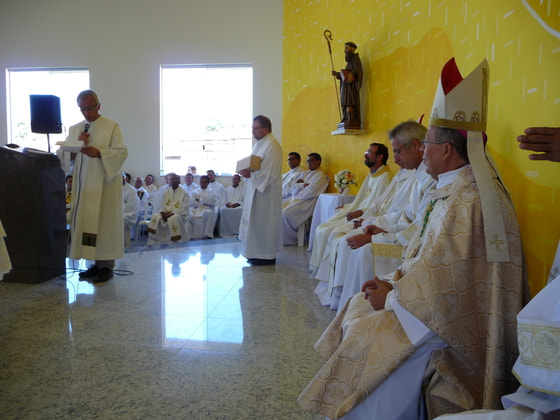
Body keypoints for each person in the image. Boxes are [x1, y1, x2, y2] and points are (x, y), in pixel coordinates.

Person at [299, 58, 526, 419]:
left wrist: (393, 296)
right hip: (430, 302)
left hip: (452, 321)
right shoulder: (452, 190)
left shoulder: (468, 200)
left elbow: (448, 280)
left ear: (447, 150)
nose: (423, 152)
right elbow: (430, 257)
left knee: (366, 335)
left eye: (428, 144)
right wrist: (392, 281)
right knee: (358, 306)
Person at [314, 122, 429, 307]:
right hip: (395, 231)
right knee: (347, 240)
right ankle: (344, 300)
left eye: (398, 152)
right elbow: (403, 217)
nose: (396, 159)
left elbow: (416, 227)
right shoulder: (418, 176)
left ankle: (358, 305)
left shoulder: (426, 179)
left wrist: (378, 236)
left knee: (362, 248)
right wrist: (378, 228)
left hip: (412, 248)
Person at [60, 90, 128, 284]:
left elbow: (121, 153)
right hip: (84, 187)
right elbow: (64, 157)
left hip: (105, 187)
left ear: (99, 106)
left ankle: (106, 266)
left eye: (90, 108)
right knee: (87, 224)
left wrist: (99, 153)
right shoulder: (75, 129)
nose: (86, 113)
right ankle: (94, 265)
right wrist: (73, 153)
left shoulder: (112, 127)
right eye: (82, 109)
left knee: (104, 225)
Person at [309, 143, 391, 267]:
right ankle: (318, 267)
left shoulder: (385, 177)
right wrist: (348, 206)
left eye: (369, 153)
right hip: (358, 211)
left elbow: (379, 206)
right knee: (322, 228)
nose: (366, 155)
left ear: (380, 157)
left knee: (327, 232)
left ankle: (326, 270)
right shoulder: (372, 175)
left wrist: (361, 212)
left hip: (366, 216)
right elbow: (361, 198)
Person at [239, 115, 283, 266]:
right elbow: (256, 165)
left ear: (266, 129)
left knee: (264, 224)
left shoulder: (272, 146)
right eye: (252, 128)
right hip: (255, 191)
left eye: (255, 129)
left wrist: (250, 174)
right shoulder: (260, 144)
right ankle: (254, 253)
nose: (253, 132)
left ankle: (266, 255)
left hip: (266, 194)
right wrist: (247, 171)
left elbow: (270, 174)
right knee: (255, 224)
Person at [282, 153, 329, 245]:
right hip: (296, 198)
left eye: (311, 160)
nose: (309, 163)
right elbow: (292, 187)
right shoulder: (305, 173)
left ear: (318, 162)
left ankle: (290, 239)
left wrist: (298, 188)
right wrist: (302, 185)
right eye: (308, 161)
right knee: (278, 209)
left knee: (285, 213)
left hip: (308, 202)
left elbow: (310, 192)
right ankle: (281, 237)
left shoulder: (320, 175)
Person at [147, 174, 191, 245]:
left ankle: (175, 240)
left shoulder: (184, 193)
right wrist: (162, 212)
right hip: (166, 214)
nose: (173, 181)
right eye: (171, 180)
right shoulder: (166, 193)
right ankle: (155, 241)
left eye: (174, 179)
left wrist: (173, 213)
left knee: (174, 217)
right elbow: (162, 205)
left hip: (179, 215)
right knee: (155, 216)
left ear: (179, 181)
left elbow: (184, 208)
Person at [332, 42, 363, 129]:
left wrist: (352, 74)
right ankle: (346, 118)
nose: (345, 50)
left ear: (353, 49)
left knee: (350, 103)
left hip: (351, 89)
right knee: (345, 104)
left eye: (347, 48)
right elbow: (345, 75)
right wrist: (337, 74)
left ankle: (351, 119)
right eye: (345, 48)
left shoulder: (356, 60)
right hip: (346, 89)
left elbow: (358, 71)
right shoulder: (349, 63)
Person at [190, 175, 218, 239]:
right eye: (202, 182)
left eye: (205, 182)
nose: (203, 184)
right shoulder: (195, 191)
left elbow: (212, 201)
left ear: (208, 183)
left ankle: (206, 234)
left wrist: (199, 201)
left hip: (207, 209)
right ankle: (192, 235)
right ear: (199, 182)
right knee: (189, 212)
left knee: (208, 213)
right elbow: (191, 202)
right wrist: (204, 201)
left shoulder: (212, 191)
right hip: (196, 209)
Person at [122, 174, 139, 246]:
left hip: (130, 213)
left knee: (121, 219)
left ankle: (124, 245)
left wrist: (117, 212)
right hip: (119, 212)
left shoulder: (131, 190)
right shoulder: (114, 188)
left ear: (125, 178)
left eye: (121, 178)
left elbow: (130, 206)